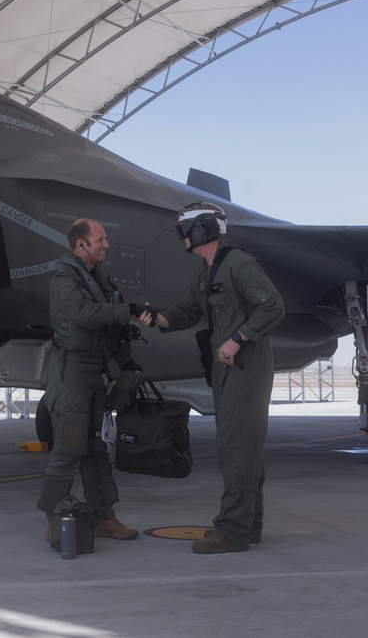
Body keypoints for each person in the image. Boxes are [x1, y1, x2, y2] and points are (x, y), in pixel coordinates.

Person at [138, 202, 284, 554]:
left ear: (202, 230)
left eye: (185, 229)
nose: (182, 237)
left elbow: (273, 306)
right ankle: (249, 526)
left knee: (236, 445)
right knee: (242, 447)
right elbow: (186, 312)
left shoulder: (239, 265)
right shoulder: (206, 273)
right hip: (226, 368)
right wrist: (154, 318)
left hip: (246, 366)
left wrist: (237, 339)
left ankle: (233, 530)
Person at [37, 218, 145, 546]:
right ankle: (55, 519)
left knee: (96, 449)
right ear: (81, 244)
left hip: (94, 375)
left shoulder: (99, 280)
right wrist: (131, 310)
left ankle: (103, 517)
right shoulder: (64, 281)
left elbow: (111, 328)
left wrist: (127, 362)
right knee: (68, 448)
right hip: (71, 378)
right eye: (100, 239)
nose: (106, 244)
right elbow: (88, 314)